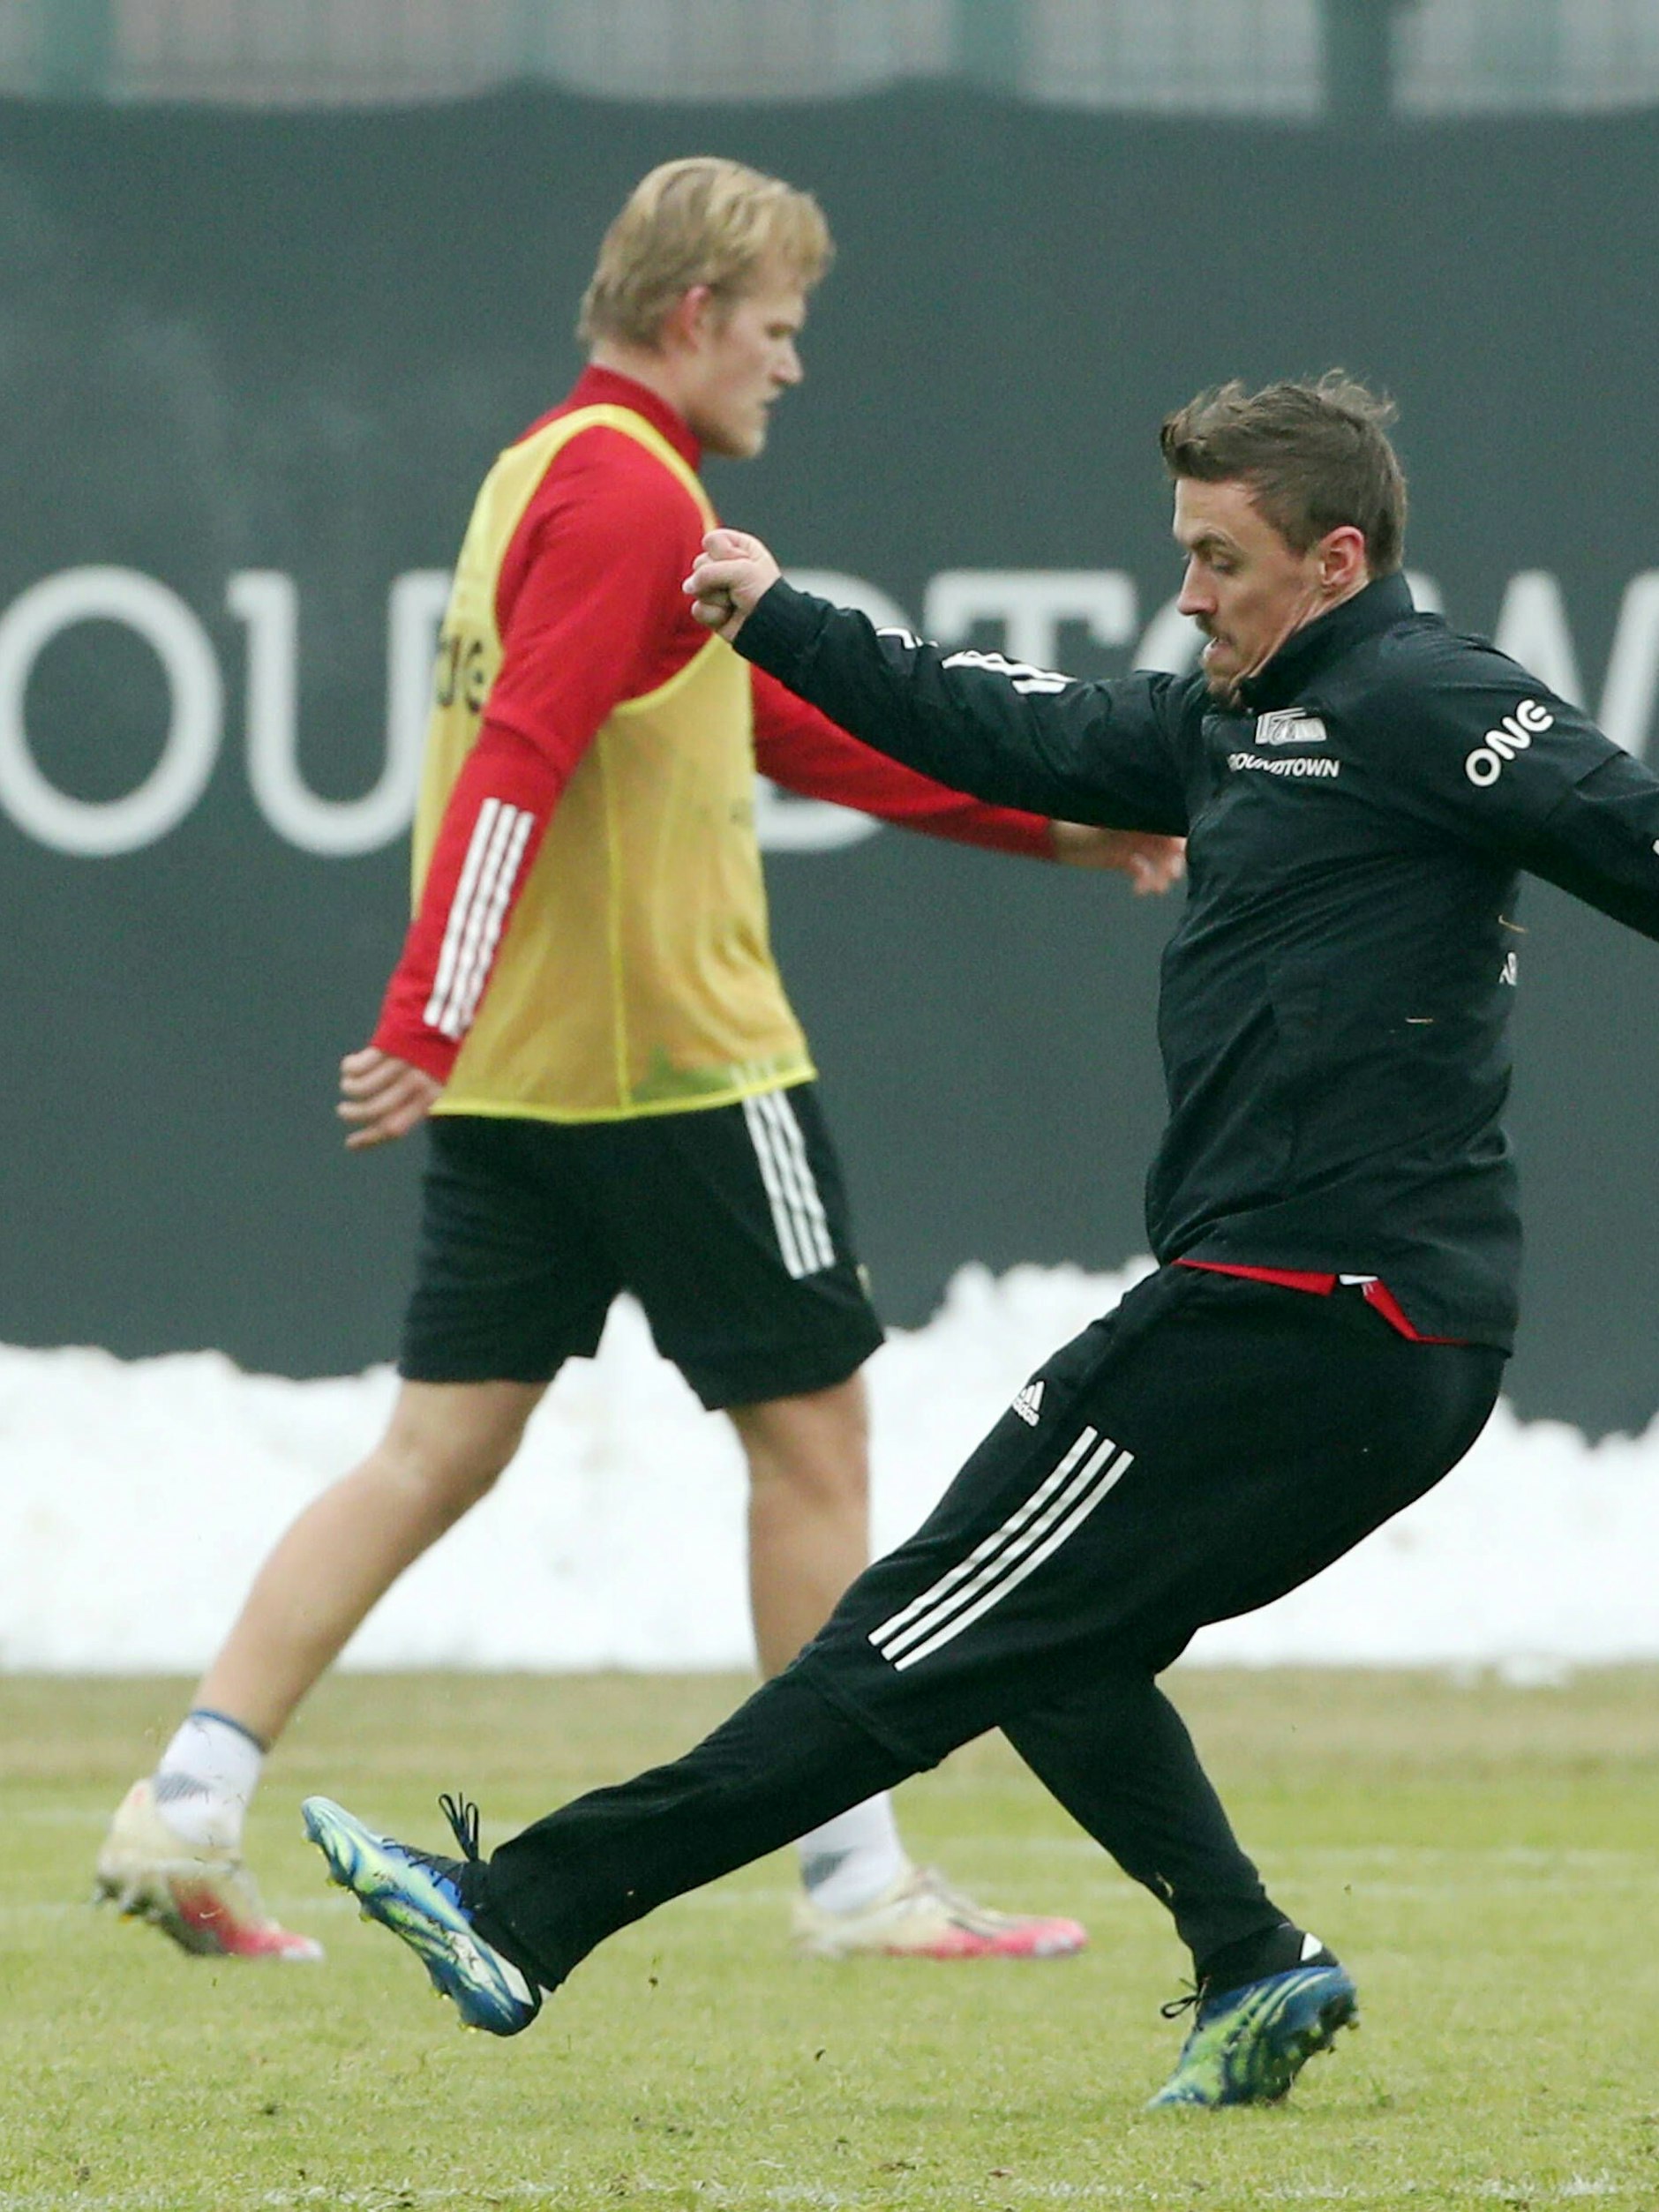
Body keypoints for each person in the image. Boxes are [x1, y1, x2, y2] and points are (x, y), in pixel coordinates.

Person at [298, 371, 1659, 2108]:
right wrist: (779, 614)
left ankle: (523, 1909)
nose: (1185, 593)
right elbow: (985, 723)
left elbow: (1633, 838)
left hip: (1312, 1307)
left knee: (926, 1622)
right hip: (1367, 1333)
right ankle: (1253, 1963)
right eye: (1179, 552)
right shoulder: (1226, 722)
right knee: (1047, 1642)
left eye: (1216, 561)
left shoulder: (1427, 693)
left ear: (1333, 561)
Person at [95, 158, 1181, 1967]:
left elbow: (782, 733)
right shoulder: (628, 494)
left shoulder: (543, 468)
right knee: (817, 1445)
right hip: (678, 1070)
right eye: (777, 329)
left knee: (433, 1448)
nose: (791, 366)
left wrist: (1058, 833)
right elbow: (522, 751)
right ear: (694, 319)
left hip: (530, 1081)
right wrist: (416, 1015)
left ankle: (184, 1800)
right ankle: (853, 1880)